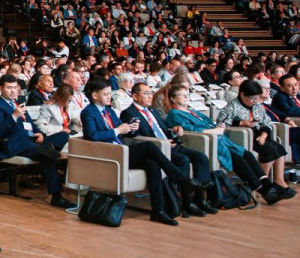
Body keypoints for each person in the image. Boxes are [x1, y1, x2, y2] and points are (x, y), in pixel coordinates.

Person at [81, 78, 209, 226]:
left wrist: (131, 129)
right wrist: (118, 130)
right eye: (106, 94)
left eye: (110, 94)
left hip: (120, 150)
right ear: (95, 95)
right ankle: (181, 179)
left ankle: (158, 211)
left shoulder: (109, 111)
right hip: (109, 153)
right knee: (148, 147)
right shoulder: (88, 112)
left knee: (152, 164)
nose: (109, 97)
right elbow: (92, 135)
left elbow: (125, 132)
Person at [163, 85, 284, 203]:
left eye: (187, 94)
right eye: (182, 95)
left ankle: (268, 186)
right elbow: (190, 130)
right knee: (238, 160)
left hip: (220, 139)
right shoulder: (174, 114)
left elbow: (209, 123)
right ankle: (263, 190)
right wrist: (214, 131)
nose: (186, 97)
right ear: (173, 98)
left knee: (247, 154)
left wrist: (218, 127)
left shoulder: (193, 111)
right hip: (208, 142)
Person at [121, 82, 216, 215]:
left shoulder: (153, 111)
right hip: (158, 149)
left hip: (171, 144)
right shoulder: (128, 113)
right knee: (183, 160)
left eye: (151, 93)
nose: (150, 96)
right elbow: (134, 136)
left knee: (201, 157)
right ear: (135, 96)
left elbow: (163, 129)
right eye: (146, 93)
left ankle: (200, 199)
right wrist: (163, 142)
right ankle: (187, 202)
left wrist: (174, 131)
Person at [0, 75, 72, 208]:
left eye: (15, 87)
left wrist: (40, 134)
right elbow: (0, 131)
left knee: (63, 135)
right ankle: (56, 196)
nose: (13, 91)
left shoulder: (17, 103)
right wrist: (14, 116)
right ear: (0, 88)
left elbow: (31, 124)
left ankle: (48, 147)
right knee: (46, 155)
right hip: (15, 144)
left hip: (31, 140)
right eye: (9, 88)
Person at [216, 81, 296, 199]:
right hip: (242, 138)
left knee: (278, 147)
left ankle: (278, 181)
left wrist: (264, 135)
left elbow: (266, 122)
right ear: (242, 95)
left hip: (259, 135)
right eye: (251, 98)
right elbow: (221, 123)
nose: (254, 101)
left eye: (256, 98)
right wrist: (240, 123)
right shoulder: (232, 107)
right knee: (269, 150)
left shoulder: (258, 106)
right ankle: (266, 185)